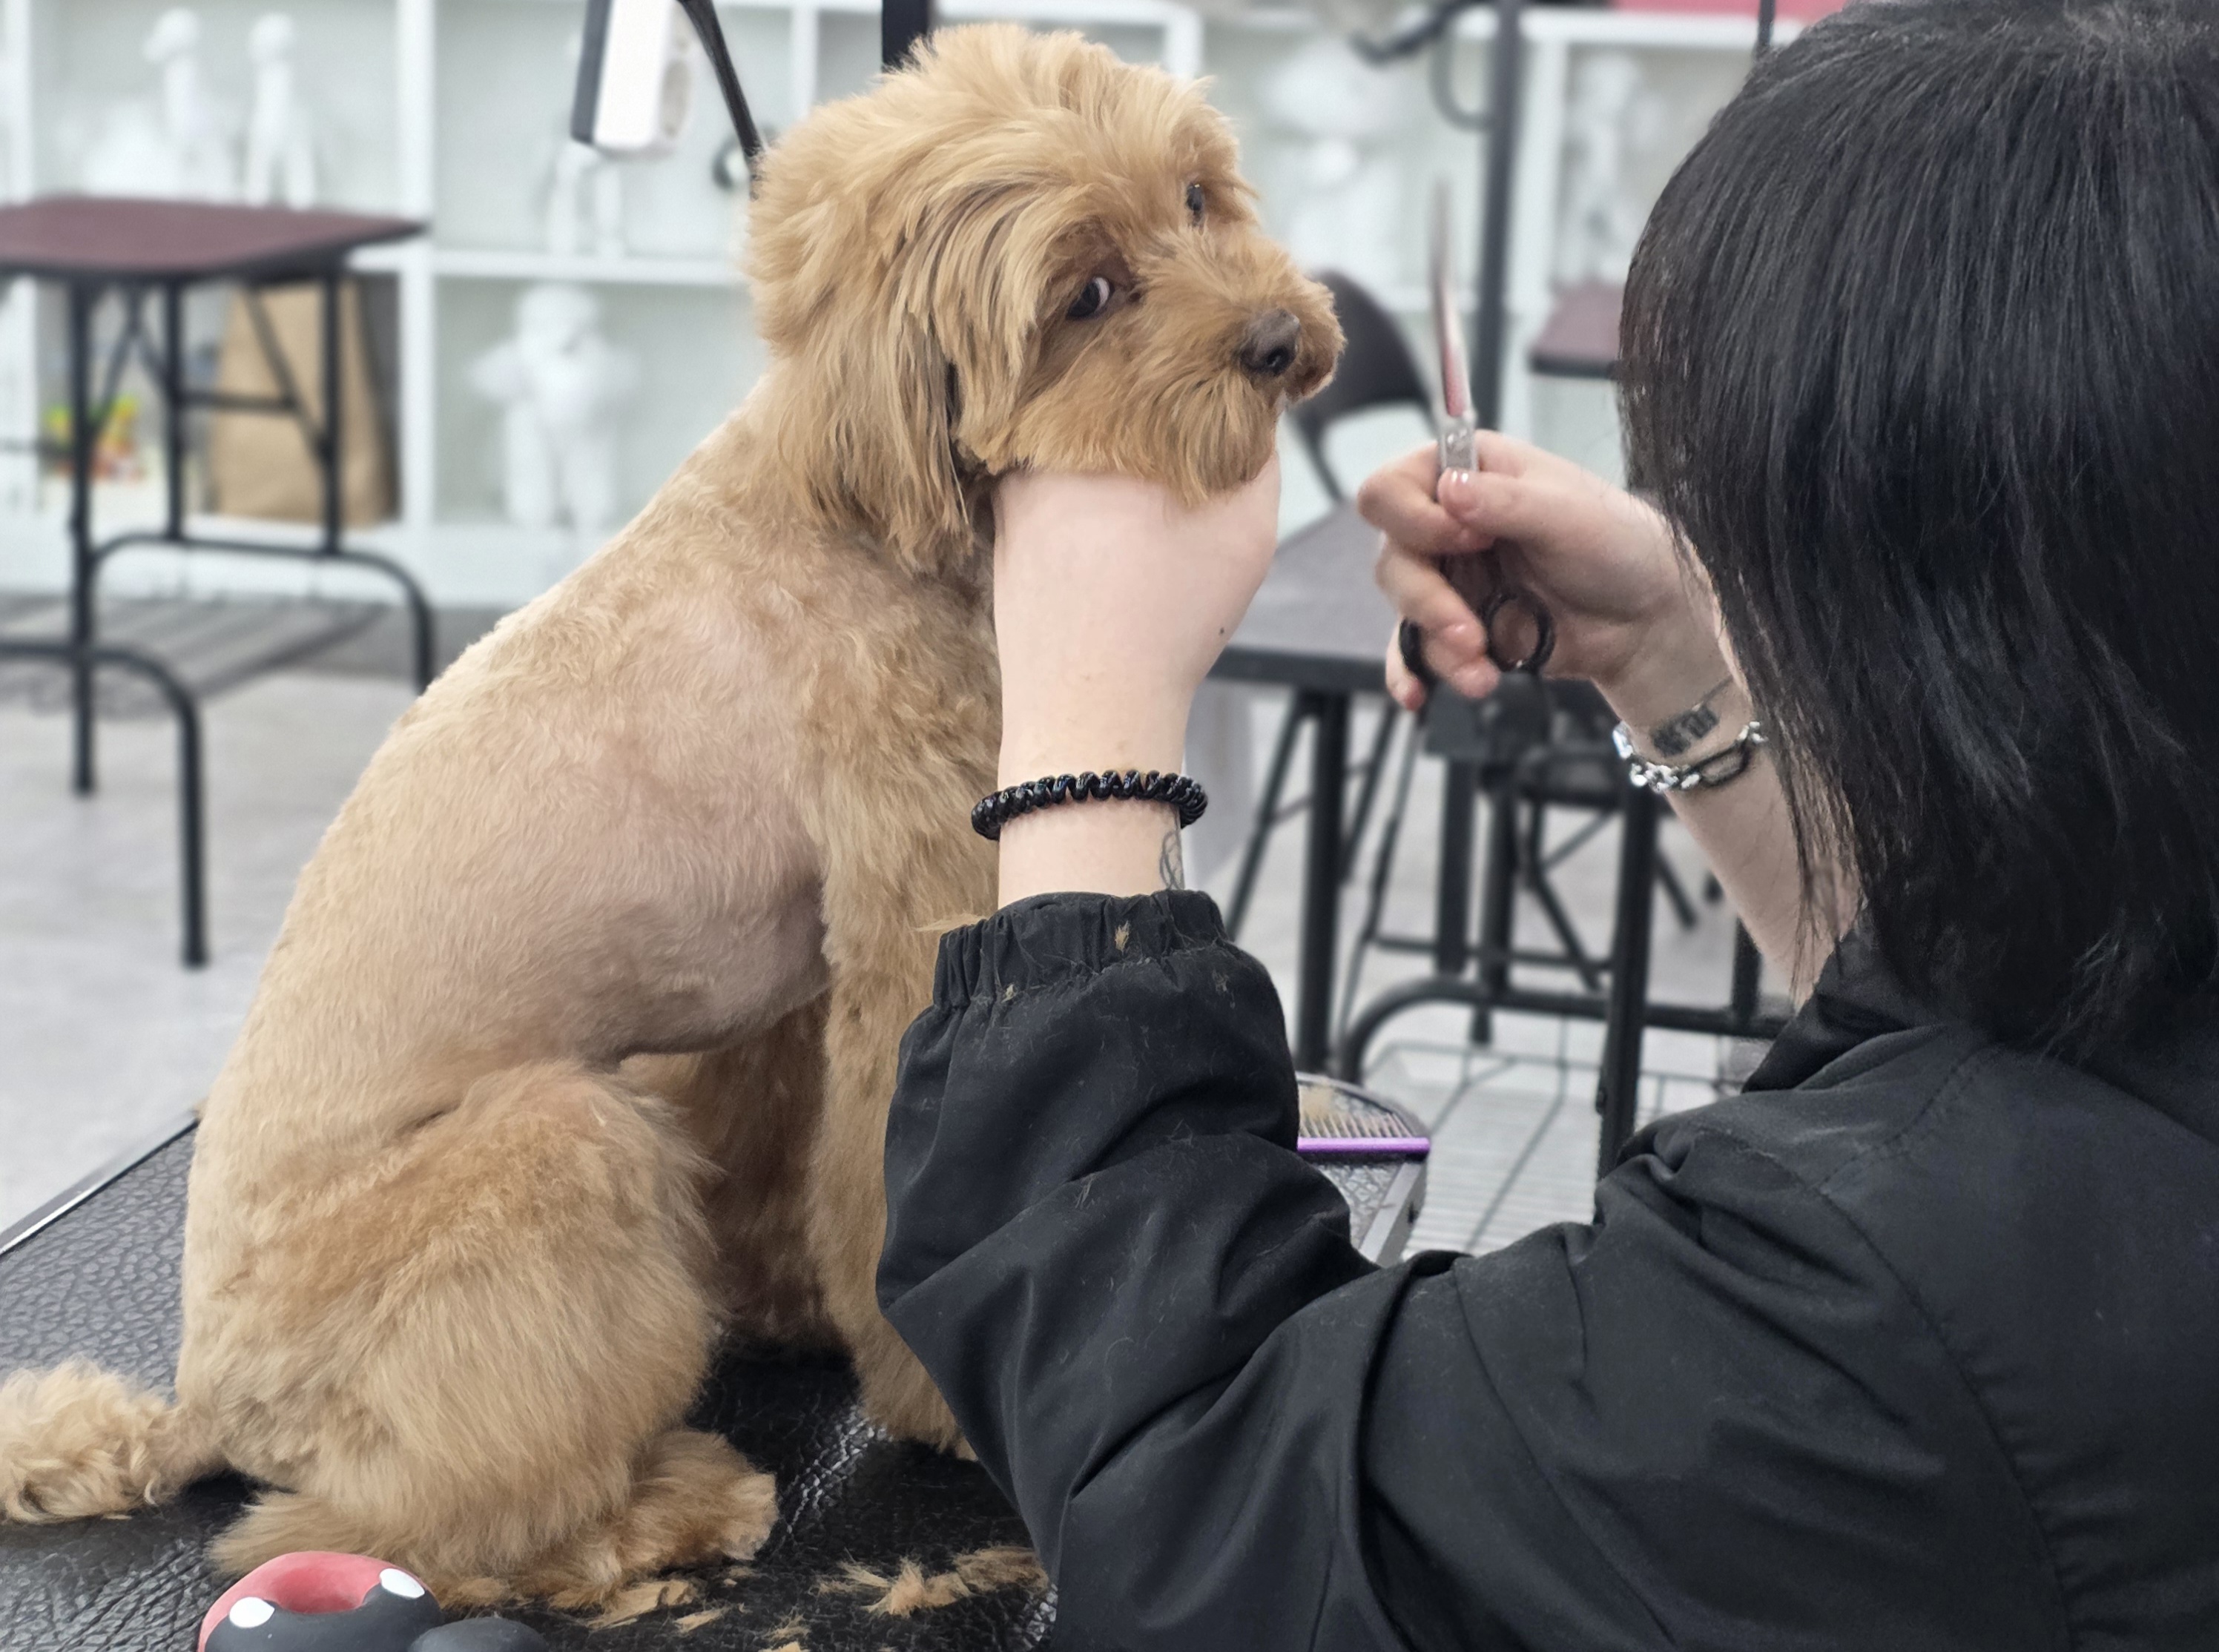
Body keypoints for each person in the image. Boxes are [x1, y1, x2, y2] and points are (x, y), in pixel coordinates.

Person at [876, 2, 2219, 1646]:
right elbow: (1986, 1018)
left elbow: (1207, 1494)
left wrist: (1082, 734)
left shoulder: (1890, 1321)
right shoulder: (2138, 983)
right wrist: (1667, 646)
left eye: (1719, 511)